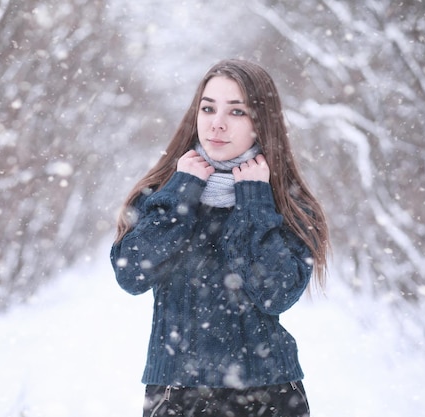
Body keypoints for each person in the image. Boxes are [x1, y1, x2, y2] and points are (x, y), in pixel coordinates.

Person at [110, 59, 329, 417]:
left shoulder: (287, 204)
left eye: (237, 111)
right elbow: (131, 274)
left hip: (269, 394)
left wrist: (254, 200)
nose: (217, 122)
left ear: (261, 124)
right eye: (208, 107)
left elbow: (276, 294)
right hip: (177, 395)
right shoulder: (164, 193)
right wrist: (182, 194)